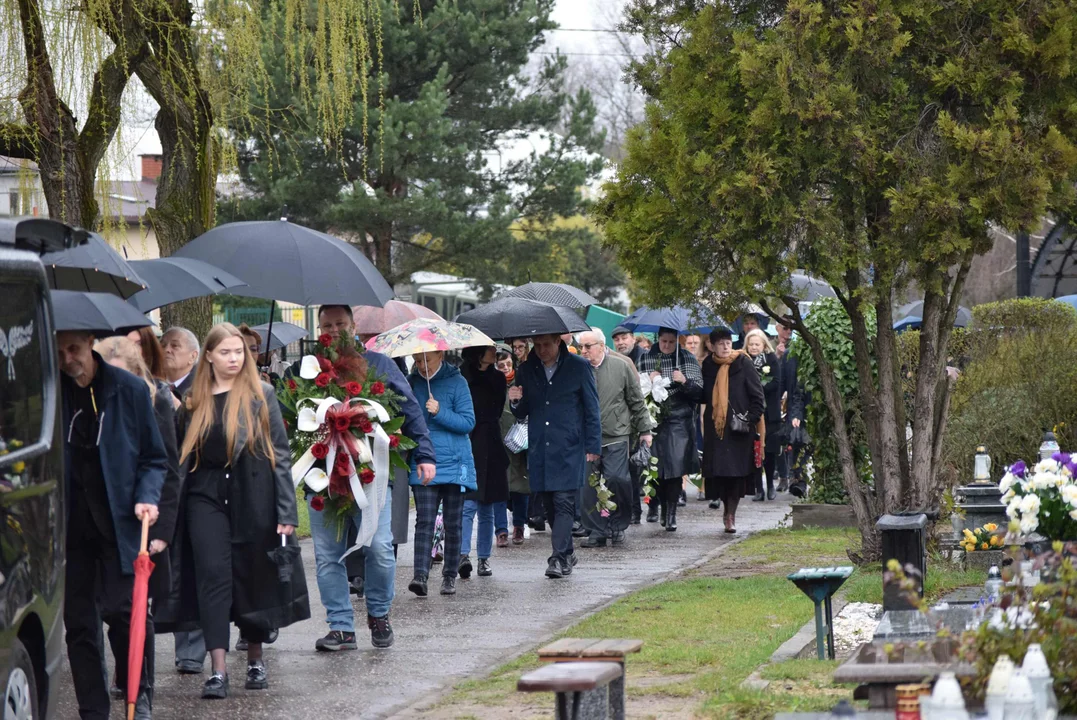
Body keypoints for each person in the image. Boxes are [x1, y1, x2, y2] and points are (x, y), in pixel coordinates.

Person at [166, 323, 308, 699]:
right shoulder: (193, 401)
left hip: (253, 494)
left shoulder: (262, 394)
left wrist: (286, 511)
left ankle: (256, 659)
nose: (233, 358)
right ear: (208, 356)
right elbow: (180, 460)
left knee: (252, 574)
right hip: (205, 498)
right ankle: (218, 669)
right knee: (212, 577)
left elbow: (280, 454)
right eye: (226, 352)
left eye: (239, 352)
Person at [301, 305, 436, 650]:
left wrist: (425, 455)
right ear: (319, 330)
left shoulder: (379, 363)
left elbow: (409, 409)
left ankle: (378, 613)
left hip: (371, 474)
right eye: (327, 325)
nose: (334, 330)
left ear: (354, 325)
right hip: (324, 476)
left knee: (379, 550)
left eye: (341, 324)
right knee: (328, 554)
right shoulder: (308, 369)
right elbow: (293, 417)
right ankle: (341, 628)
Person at [57, 330, 167, 719]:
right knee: (80, 624)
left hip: (118, 521)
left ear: (89, 342)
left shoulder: (130, 390)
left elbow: (155, 458)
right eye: (59, 351)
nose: (67, 359)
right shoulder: (53, 392)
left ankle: (140, 693)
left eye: (73, 349)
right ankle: (93, 711)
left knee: (126, 613)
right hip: (71, 527)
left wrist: (147, 496)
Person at [509, 334, 601, 578]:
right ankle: (567, 552)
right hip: (540, 447)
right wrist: (515, 402)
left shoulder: (578, 367)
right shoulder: (527, 369)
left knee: (563, 502)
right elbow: (522, 411)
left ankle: (557, 559)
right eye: (537, 346)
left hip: (569, 447)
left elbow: (592, 408)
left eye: (546, 345)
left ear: (558, 343)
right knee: (549, 506)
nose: (541, 350)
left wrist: (593, 445)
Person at [407, 350, 476, 595]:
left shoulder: (458, 382)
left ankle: (449, 576)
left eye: (426, 359)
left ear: (440, 355)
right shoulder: (412, 382)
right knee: (424, 520)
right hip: (425, 461)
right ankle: (420, 576)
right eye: (417, 361)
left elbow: (468, 423)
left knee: (453, 523)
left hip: (455, 463)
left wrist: (440, 412)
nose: (421, 365)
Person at [578, 330, 653, 547]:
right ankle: (597, 530)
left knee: (617, 479)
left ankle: (617, 525)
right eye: (581, 347)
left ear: (601, 346)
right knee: (588, 486)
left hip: (617, 433)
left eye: (588, 346)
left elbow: (636, 400)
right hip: (587, 437)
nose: (583, 351)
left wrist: (645, 431)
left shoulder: (621, 366)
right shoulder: (577, 369)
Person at [637, 328, 703, 531]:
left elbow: (700, 392)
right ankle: (657, 506)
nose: (666, 346)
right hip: (654, 418)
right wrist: (650, 380)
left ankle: (671, 511)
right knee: (654, 466)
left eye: (671, 342)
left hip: (679, 418)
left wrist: (684, 381)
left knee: (674, 468)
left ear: (677, 341)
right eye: (663, 341)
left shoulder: (687, 358)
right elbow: (636, 387)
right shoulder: (646, 358)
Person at [701, 328, 765, 533]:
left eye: (728, 342)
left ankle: (730, 515)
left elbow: (757, 396)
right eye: (720, 343)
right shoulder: (708, 366)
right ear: (712, 346)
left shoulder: (743, 362)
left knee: (736, 474)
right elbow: (703, 395)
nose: (726, 346)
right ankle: (725, 508)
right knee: (720, 473)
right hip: (716, 428)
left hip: (739, 429)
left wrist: (750, 419)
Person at [459, 346, 510, 576]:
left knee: (488, 504)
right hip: (469, 441)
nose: (495, 351)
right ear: (478, 352)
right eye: (490, 349)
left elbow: (497, 410)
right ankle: (462, 555)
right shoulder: (462, 376)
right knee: (468, 503)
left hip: (491, 442)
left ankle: (483, 558)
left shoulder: (498, 378)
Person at [743, 328, 783, 501]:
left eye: (756, 344)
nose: (753, 347)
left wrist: (758, 389)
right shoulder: (743, 360)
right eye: (750, 344)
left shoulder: (771, 359)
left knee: (770, 450)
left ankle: (770, 486)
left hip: (769, 412)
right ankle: (758, 487)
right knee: (754, 450)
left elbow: (776, 381)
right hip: (751, 411)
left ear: (763, 344)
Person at [496, 350, 530, 544]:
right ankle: (501, 529)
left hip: (519, 439)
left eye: (508, 364)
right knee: (499, 487)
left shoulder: (522, 380)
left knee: (521, 485)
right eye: (501, 366)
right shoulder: (493, 382)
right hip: (498, 439)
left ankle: (518, 525)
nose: (506, 368)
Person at [161, 327, 200, 401]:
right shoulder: (152, 384)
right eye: (163, 345)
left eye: (175, 346)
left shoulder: (202, 388)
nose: (167, 350)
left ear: (193, 356)